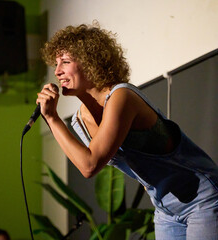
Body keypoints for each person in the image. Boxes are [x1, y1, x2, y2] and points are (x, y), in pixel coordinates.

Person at [36, 21, 218, 240]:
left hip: (203, 201)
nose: (57, 71)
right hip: (166, 211)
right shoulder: (81, 118)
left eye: (65, 61)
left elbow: (89, 164)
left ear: (90, 62)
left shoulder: (122, 97)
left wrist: (52, 118)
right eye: (55, 63)